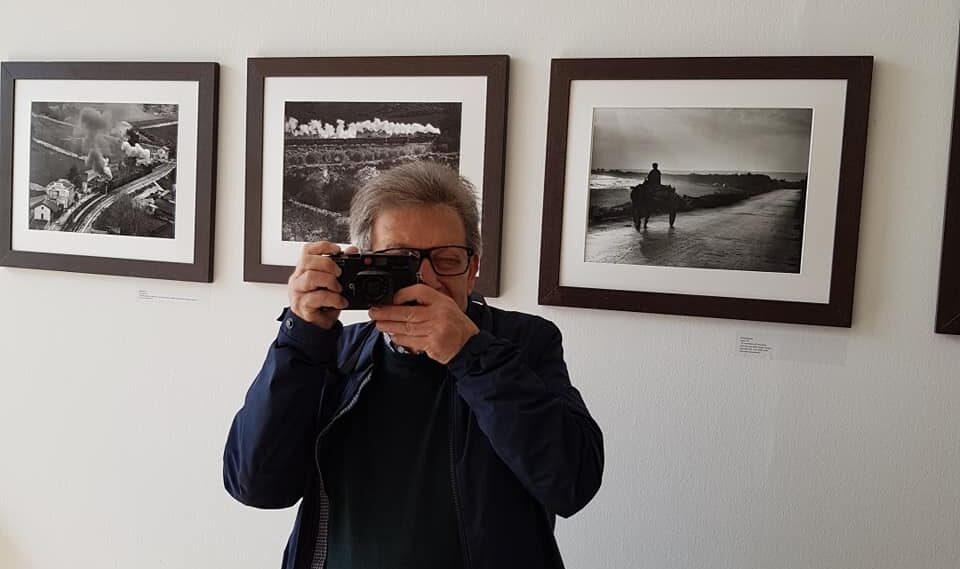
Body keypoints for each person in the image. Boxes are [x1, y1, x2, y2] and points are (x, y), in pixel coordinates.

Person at [223, 161, 604, 569]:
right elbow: (255, 485)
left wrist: (469, 354)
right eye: (401, 259)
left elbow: (572, 483)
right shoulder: (331, 353)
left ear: (472, 269)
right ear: (364, 264)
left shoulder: (525, 344)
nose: (425, 279)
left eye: (447, 259)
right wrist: (300, 340)